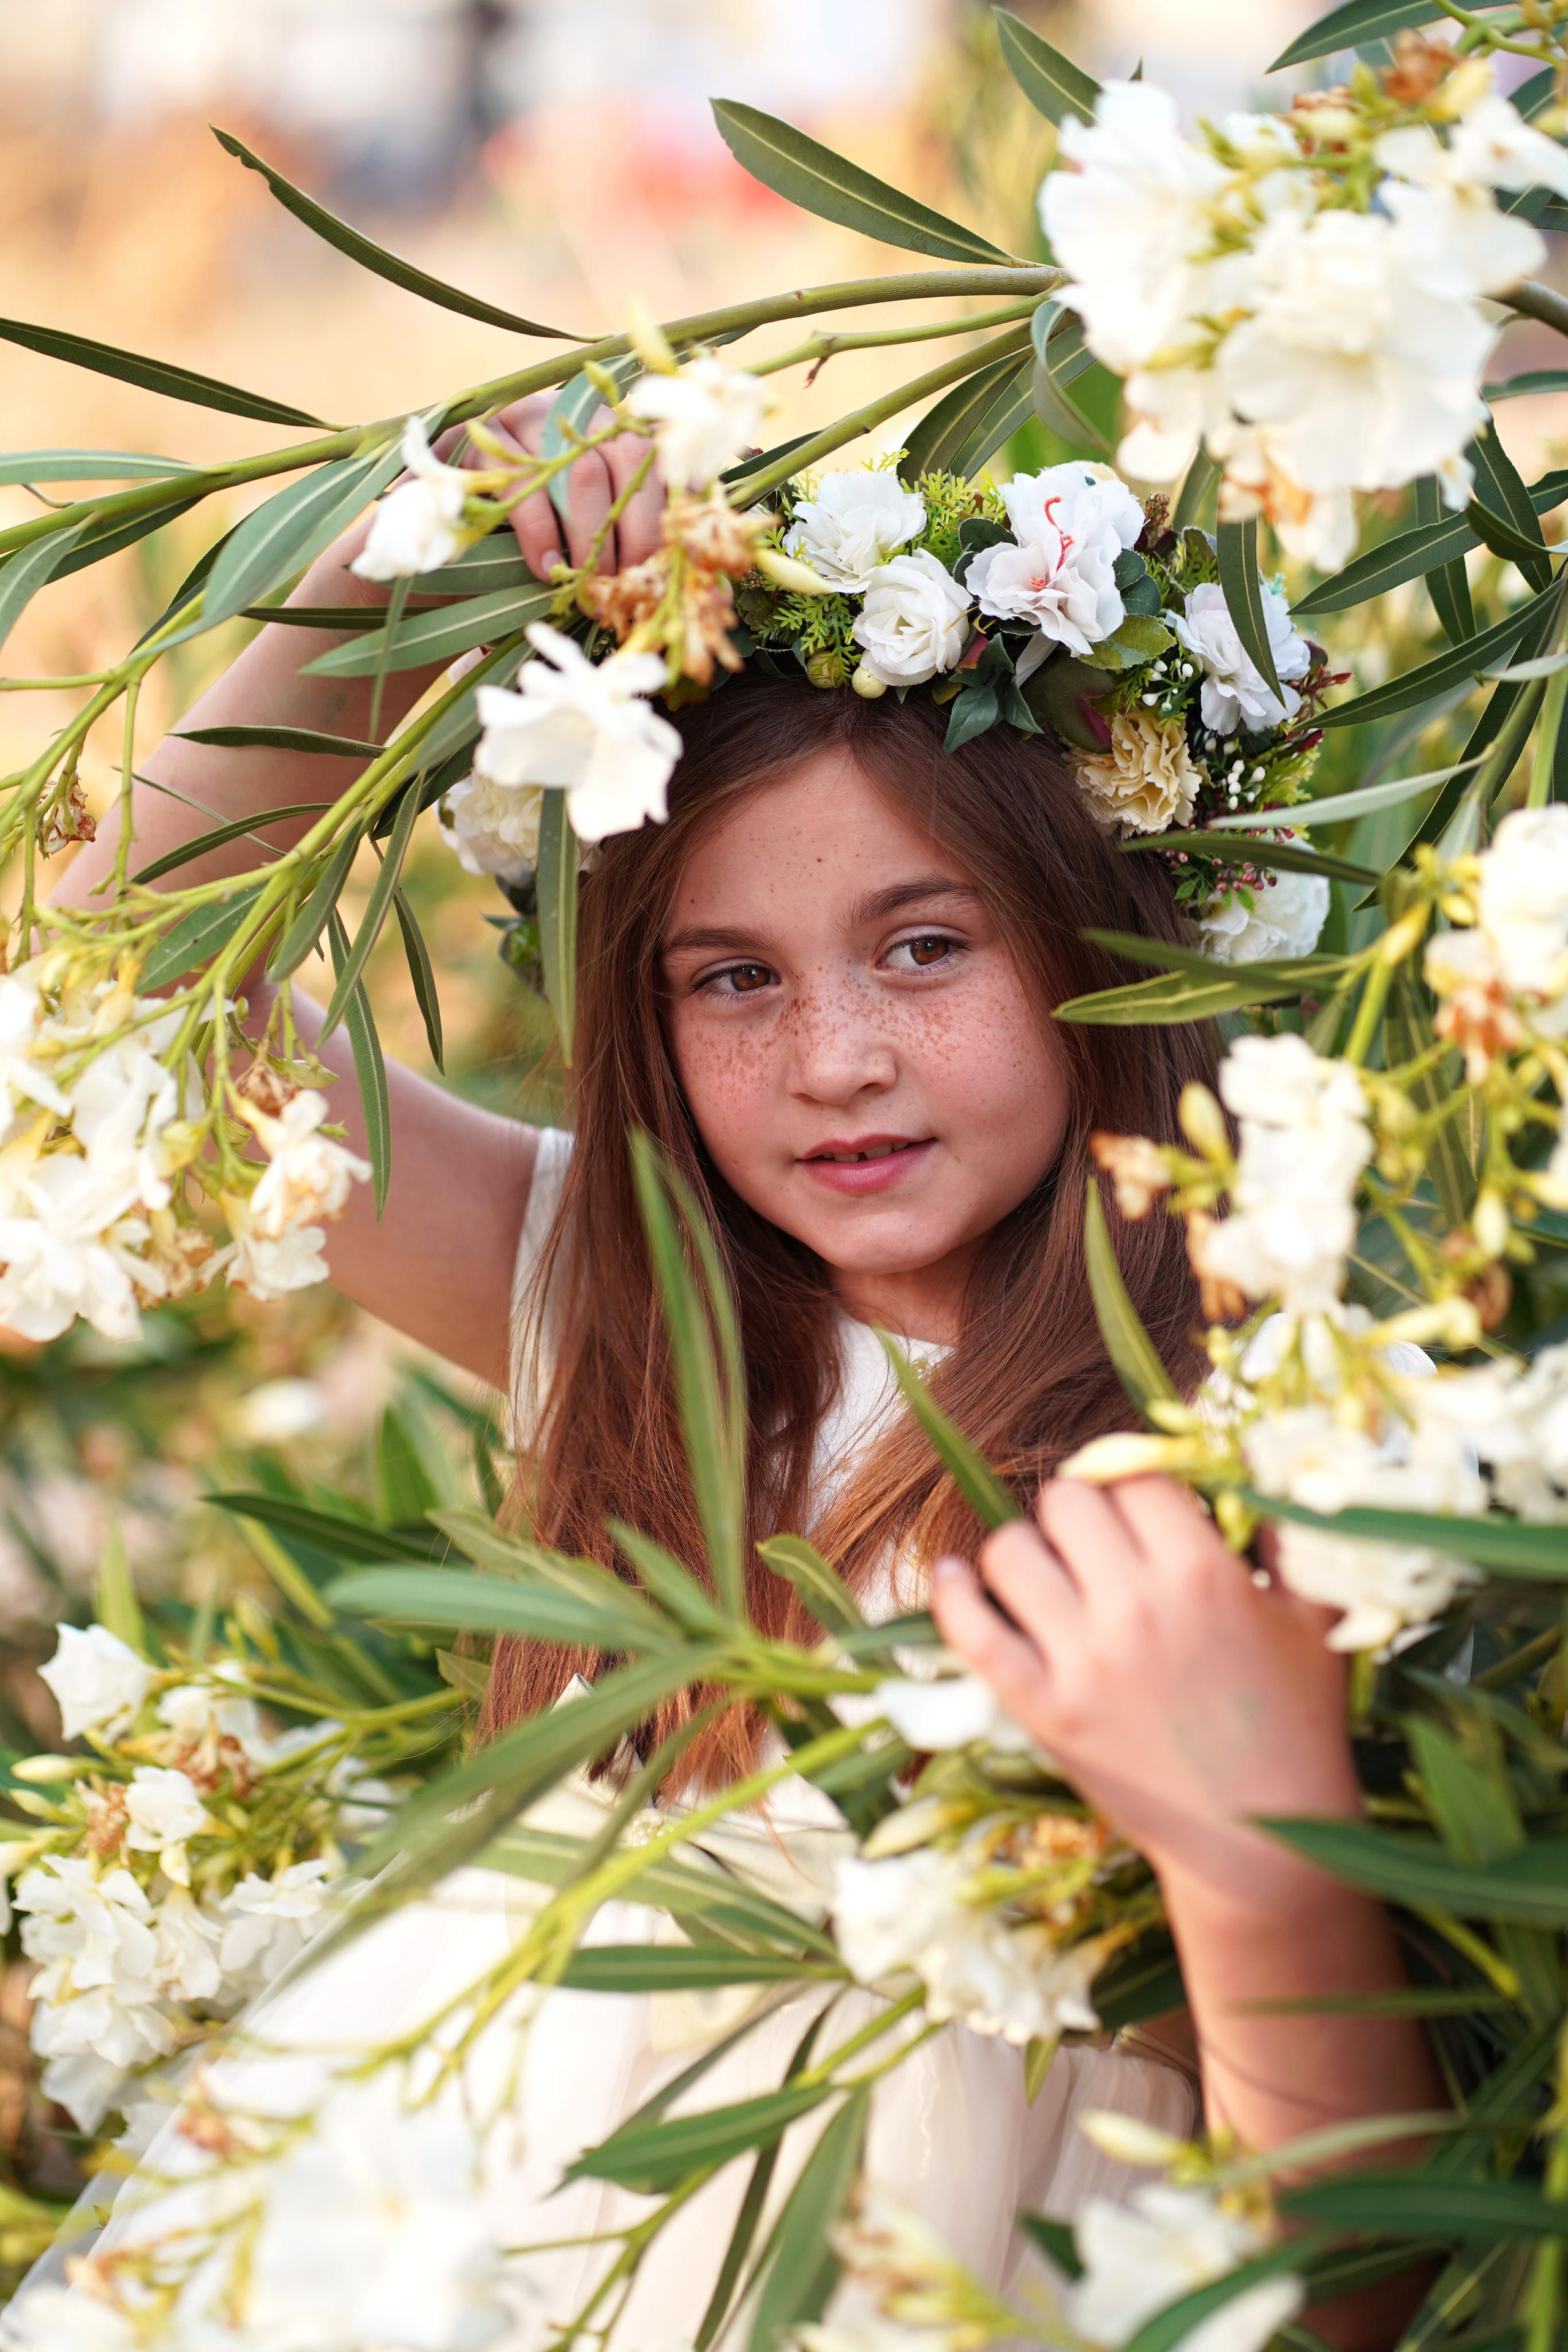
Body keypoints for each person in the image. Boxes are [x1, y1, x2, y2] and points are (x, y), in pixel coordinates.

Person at [35, 402, 1439, 2350]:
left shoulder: (1272, 1432)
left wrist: (1248, 1852)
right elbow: (109, 987)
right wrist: (412, 553)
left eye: (925, 948)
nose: (832, 1058)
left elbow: (1354, 2291)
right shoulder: (631, 1306)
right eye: (735, 977)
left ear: (1105, 941)